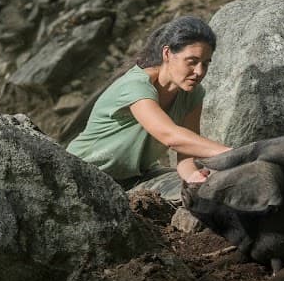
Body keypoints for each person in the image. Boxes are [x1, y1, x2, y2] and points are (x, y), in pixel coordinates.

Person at [67, 15, 230, 188]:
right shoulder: (136, 85)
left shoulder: (193, 94)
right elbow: (171, 136)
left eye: (205, 64)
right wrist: (234, 154)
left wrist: (193, 176)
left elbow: (186, 155)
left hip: (136, 178)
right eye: (192, 62)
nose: (199, 71)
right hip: (83, 174)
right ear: (167, 53)